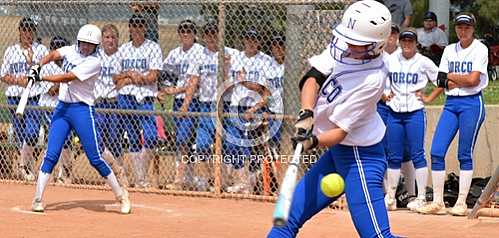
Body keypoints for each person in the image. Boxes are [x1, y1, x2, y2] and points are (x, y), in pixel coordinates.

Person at [267, 1, 395, 237]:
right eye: (349, 38)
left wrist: (311, 142)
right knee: (285, 221)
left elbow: (340, 132)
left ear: (376, 45)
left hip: (361, 158)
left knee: (376, 236)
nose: (349, 45)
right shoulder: (342, 43)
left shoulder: (374, 78)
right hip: (338, 154)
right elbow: (312, 77)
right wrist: (306, 113)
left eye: (357, 44)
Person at [29, 24, 130, 214]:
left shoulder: (94, 62)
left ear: (96, 47)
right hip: (62, 109)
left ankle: (121, 195)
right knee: (51, 154)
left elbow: (68, 77)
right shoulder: (70, 50)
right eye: (83, 43)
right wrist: (38, 65)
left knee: (95, 158)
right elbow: (53, 55)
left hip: (82, 110)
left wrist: (40, 77)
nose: (85, 47)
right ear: (78, 41)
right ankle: (37, 198)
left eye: (90, 45)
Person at [417, 12, 489, 216]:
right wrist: (457, 78)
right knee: (436, 151)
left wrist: (450, 76)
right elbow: (441, 81)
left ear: (473, 28)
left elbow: (473, 80)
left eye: (466, 27)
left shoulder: (480, 49)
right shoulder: (449, 49)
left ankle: (461, 202)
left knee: (464, 154)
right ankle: (438, 202)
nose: (462, 30)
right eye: (459, 26)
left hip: (472, 103)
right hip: (451, 103)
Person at [383, 28, 443, 211]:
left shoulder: (423, 62)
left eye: (411, 41)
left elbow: (442, 80)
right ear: (400, 42)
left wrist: (429, 98)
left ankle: (422, 197)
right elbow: (379, 80)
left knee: (417, 154)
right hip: (394, 111)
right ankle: (391, 197)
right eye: (404, 41)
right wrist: (384, 94)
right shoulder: (390, 60)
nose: (407, 44)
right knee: (393, 155)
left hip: (415, 111)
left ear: (416, 43)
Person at [113, 14, 163, 189]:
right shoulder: (123, 49)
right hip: (126, 97)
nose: (136, 29)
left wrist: (132, 78)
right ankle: (141, 179)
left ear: (144, 28)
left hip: (146, 98)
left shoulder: (153, 47)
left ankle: (141, 176)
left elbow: (153, 75)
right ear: (129, 28)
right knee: (133, 138)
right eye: (133, 25)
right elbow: (116, 78)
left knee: (151, 137)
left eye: (140, 25)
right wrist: (130, 75)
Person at [0, 17, 48, 181]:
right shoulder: (10, 50)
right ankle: (26, 168)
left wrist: (31, 68)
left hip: (33, 96)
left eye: (31, 30)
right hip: (14, 97)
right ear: (20, 31)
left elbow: (47, 72)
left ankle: (22, 165)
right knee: (20, 135)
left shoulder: (40, 50)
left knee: (33, 133)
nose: (28, 33)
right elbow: (3, 75)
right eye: (25, 29)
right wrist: (17, 80)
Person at [158, 19, 204, 190]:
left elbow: (197, 82)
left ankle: (179, 179)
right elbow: (165, 76)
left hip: (194, 101)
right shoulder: (174, 53)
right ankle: (188, 178)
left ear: (194, 33)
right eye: (183, 30)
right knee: (184, 140)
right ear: (179, 34)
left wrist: (177, 90)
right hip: (178, 101)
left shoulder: (199, 51)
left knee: (184, 140)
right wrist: (165, 90)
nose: (186, 34)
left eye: (189, 30)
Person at [225, 27, 271, 194]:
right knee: (231, 144)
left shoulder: (265, 60)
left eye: (254, 39)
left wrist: (244, 81)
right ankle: (241, 181)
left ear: (258, 42)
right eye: (248, 39)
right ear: (243, 41)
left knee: (249, 146)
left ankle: (249, 184)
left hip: (254, 107)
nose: (251, 43)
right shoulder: (236, 57)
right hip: (236, 105)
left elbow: (262, 87)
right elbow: (229, 80)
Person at [38, 36, 74, 184]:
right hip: (49, 109)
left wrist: (65, 80)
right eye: (55, 47)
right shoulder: (46, 67)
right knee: (55, 141)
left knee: (67, 141)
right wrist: (65, 81)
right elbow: (52, 91)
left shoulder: (69, 64)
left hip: (66, 108)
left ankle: (64, 171)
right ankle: (50, 173)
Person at [95, 24, 127, 187]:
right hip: (99, 102)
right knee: (100, 141)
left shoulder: (121, 55)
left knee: (115, 140)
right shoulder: (96, 56)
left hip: (114, 102)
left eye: (113, 37)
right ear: (101, 40)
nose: (110, 40)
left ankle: (119, 173)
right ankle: (109, 175)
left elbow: (124, 78)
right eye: (107, 37)